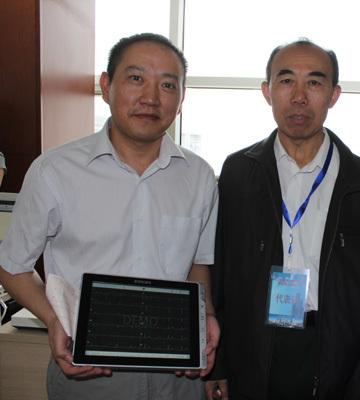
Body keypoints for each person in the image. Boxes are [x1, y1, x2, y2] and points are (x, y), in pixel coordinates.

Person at [0, 33, 219, 400]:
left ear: (181, 100)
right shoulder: (54, 170)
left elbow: (197, 264)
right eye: (136, 78)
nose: (151, 97)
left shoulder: (199, 176)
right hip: (88, 374)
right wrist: (53, 319)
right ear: (106, 86)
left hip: (176, 375)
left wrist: (206, 315)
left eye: (168, 85)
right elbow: (12, 265)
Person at [206, 39, 360, 400]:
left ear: (334, 95)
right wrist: (219, 365)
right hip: (252, 346)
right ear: (267, 91)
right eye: (287, 81)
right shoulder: (238, 172)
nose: (300, 96)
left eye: (315, 82)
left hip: (331, 349)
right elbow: (220, 275)